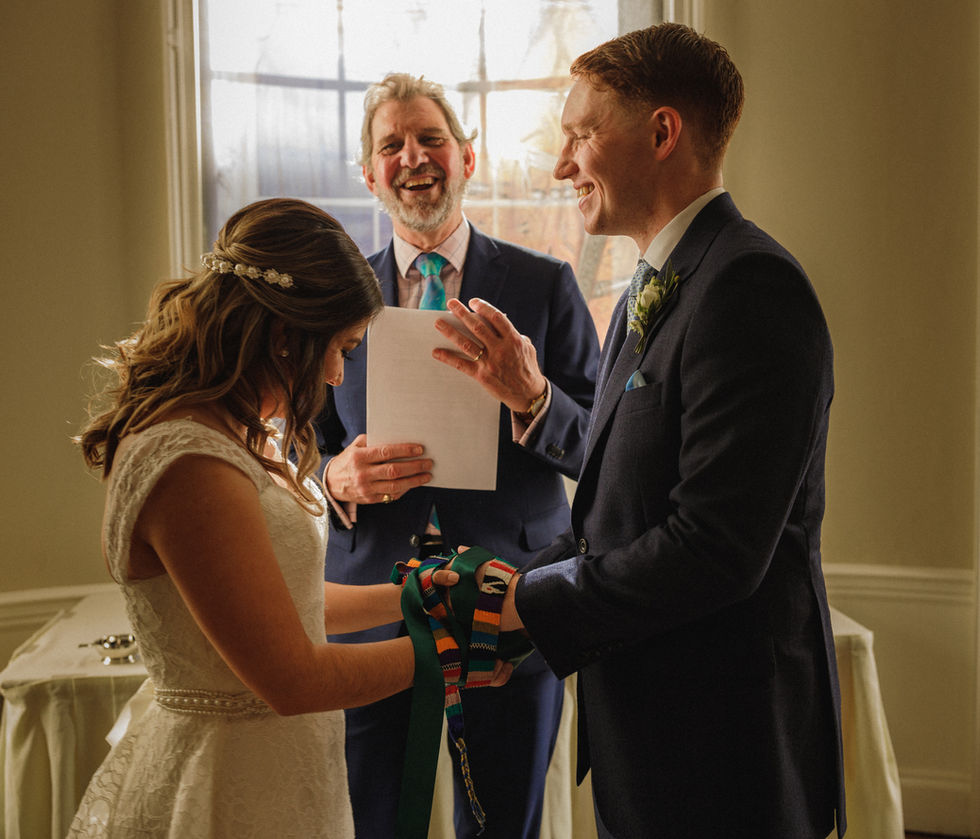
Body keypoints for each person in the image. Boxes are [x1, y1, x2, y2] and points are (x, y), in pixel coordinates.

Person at [447, 23, 847, 838]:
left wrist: (526, 601)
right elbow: (625, 497)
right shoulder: (648, 288)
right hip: (651, 721)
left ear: (662, 132)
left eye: (580, 134)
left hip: (726, 745)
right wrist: (496, 577)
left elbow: (713, 548)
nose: (562, 165)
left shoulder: (749, 286)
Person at [68, 198, 489, 838]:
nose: (338, 373)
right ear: (284, 336)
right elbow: (291, 677)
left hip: (284, 764)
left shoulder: (234, 432)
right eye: (341, 348)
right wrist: (458, 654)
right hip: (228, 781)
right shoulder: (188, 462)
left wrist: (418, 596)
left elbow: (281, 601)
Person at [316, 73, 600, 838]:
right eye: (391, 145)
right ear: (371, 176)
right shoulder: (337, 296)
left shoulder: (546, 285)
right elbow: (306, 444)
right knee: (375, 821)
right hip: (369, 606)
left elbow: (605, 449)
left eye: (430, 138)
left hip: (509, 597)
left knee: (503, 823)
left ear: (467, 158)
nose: (413, 156)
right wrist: (334, 476)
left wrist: (534, 398)